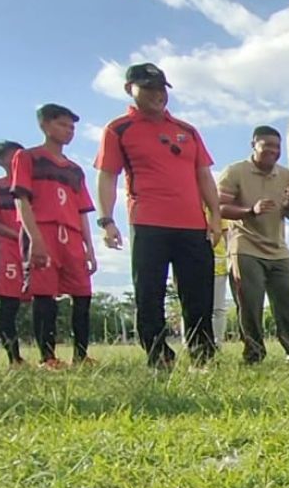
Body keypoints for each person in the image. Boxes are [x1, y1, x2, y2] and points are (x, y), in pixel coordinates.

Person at [94, 62, 222, 370]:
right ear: (130, 89)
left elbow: (204, 175)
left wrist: (215, 216)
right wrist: (106, 220)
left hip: (192, 225)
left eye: (161, 88)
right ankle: (159, 355)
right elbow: (107, 176)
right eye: (148, 88)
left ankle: (202, 357)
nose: (157, 95)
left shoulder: (187, 131)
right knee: (149, 294)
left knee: (199, 295)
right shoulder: (118, 129)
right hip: (148, 223)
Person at [12, 105, 97, 369]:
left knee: (82, 293)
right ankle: (48, 357)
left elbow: (83, 210)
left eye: (72, 127)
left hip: (71, 234)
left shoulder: (74, 170)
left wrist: (89, 248)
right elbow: (22, 200)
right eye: (63, 125)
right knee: (44, 293)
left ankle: (81, 355)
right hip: (43, 229)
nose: (69, 131)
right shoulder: (28, 158)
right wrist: (34, 238)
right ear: (46, 126)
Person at [217, 126, 289, 364]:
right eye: (266, 145)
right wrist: (250, 210)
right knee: (250, 304)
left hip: (278, 248)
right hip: (245, 246)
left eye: (276, 147)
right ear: (253, 145)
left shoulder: (286, 175)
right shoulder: (235, 171)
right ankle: (254, 354)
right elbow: (220, 208)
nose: (272, 150)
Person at [0, 141, 27, 366]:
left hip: (27, 252)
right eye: (12, 156)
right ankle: (14, 359)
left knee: (17, 305)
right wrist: (20, 236)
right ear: (1, 161)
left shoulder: (30, 188)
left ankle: (41, 356)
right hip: (3, 251)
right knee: (7, 306)